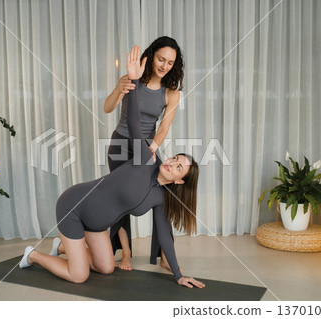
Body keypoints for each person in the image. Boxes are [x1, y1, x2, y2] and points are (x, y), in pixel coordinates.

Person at [20, 45, 204, 288]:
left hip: (96, 224)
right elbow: (133, 122)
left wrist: (179, 275)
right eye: (174, 158)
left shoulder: (160, 197)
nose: (170, 161)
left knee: (106, 269)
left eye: (179, 167)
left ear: (180, 181)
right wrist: (133, 84)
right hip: (74, 207)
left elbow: (164, 234)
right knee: (80, 275)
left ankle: (64, 247)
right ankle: (32, 255)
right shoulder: (146, 160)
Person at [104, 36, 184, 271]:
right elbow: (107, 108)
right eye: (161, 59)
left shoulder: (171, 93)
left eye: (170, 63)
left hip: (147, 147)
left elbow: (164, 127)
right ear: (151, 56)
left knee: (164, 196)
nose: (164, 66)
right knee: (121, 198)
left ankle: (165, 255)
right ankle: (125, 254)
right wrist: (119, 88)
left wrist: (152, 149)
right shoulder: (131, 79)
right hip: (120, 145)